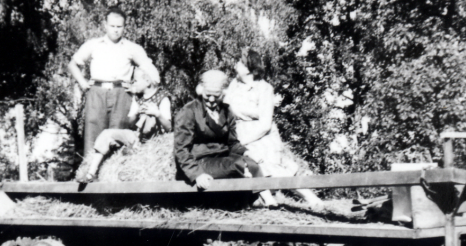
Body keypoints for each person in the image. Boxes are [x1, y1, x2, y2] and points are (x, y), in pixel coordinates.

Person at [224, 48, 324, 208]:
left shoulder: (264, 89)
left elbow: (265, 124)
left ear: (249, 68)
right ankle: (269, 201)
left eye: (240, 62)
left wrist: (242, 141)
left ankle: (313, 200)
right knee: (250, 166)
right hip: (240, 132)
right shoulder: (234, 85)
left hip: (262, 136)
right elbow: (226, 106)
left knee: (275, 169)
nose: (236, 64)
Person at [174, 69, 278, 206]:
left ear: (223, 93)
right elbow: (181, 150)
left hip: (221, 158)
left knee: (251, 164)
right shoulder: (189, 111)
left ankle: (266, 200)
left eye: (216, 96)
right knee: (237, 165)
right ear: (200, 91)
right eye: (207, 95)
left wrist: (247, 152)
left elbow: (232, 143)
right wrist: (197, 174)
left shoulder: (227, 111)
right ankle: (255, 199)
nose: (211, 100)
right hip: (199, 161)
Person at [68, 7, 161, 155]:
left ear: (124, 27)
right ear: (105, 25)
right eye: (112, 26)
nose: (116, 30)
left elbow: (153, 74)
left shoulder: (132, 48)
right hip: (96, 94)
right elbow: (73, 64)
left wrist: (137, 89)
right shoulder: (94, 44)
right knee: (93, 137)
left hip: (121, 95)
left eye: (119, 26)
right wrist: (83, 83)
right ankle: (90, 174)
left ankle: (114, 176)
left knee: (118, 137)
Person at [74, 69, 172, 183]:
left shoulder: (163, 99)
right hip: (136, 137)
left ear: (147, 81)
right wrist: (136, 114)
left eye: (135, 81)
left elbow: (169, 127)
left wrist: (157, 114)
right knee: (107, 133)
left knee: (150, 119)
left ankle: (134, 157)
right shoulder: (137, 98)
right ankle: (91, 173)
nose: (133, 84)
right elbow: (130, 123)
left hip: (154, 142)